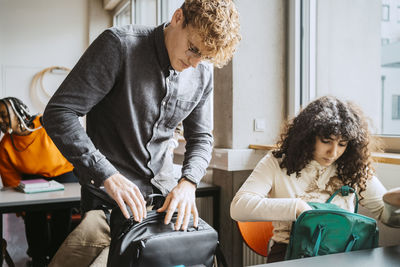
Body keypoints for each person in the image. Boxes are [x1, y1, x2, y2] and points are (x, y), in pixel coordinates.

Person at [43, 0, 241, 265]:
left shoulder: (201, 73)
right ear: (178, 17)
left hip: (165, 204)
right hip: (109, 206)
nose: (195, 64)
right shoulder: (119, 45)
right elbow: (59, 113)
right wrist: (107, 174)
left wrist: (189, 182)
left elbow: (201, 137)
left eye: (203, 57)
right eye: (193, 49)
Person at [230, 95, 392, 263]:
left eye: (342, 144)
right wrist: (298, 207)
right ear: (307, 136)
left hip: (343, 254)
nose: (334, 152)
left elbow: (385, 212)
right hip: (291, 253)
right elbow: (238, 207)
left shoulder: (353, 167)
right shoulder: (278, 162)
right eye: (326, 141)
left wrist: (394, 202)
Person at [0, 97, 77, 267]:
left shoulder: (45, 124)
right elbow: (9, 175)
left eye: (4, 115)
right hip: (32, 178)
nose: (1, 120)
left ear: (18, 113)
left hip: (63, 173)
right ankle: (39, 258)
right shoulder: (6, 142)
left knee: (62, 213)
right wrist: (19, 205)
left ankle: (59, 256)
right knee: (33, 213)